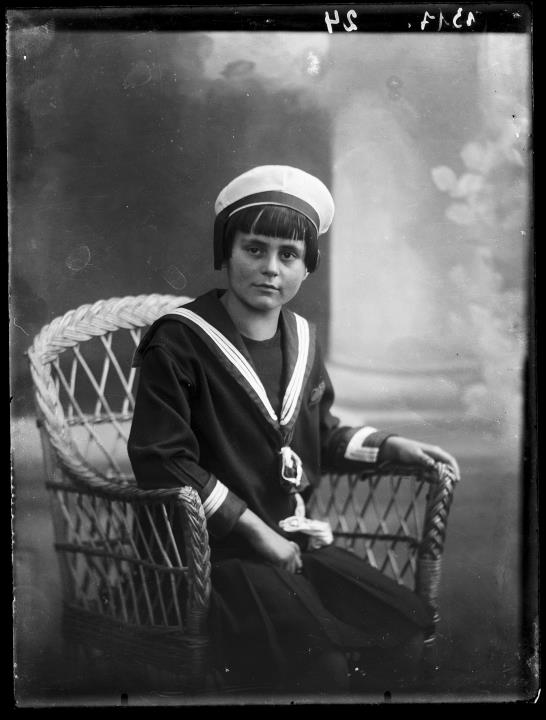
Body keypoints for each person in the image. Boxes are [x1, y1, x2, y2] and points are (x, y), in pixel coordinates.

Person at [128, 165, 460, 695]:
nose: (270, 269)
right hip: (209, 557)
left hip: (290, 539)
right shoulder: (179, 341)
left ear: (308, 267)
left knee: (403, 630)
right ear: (225, 252)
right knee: (319, 666)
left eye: (289, 255)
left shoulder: (301, 337)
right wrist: (258, 534)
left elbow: (317, 433)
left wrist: (389, 445)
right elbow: (160, 457)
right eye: (253, 249)